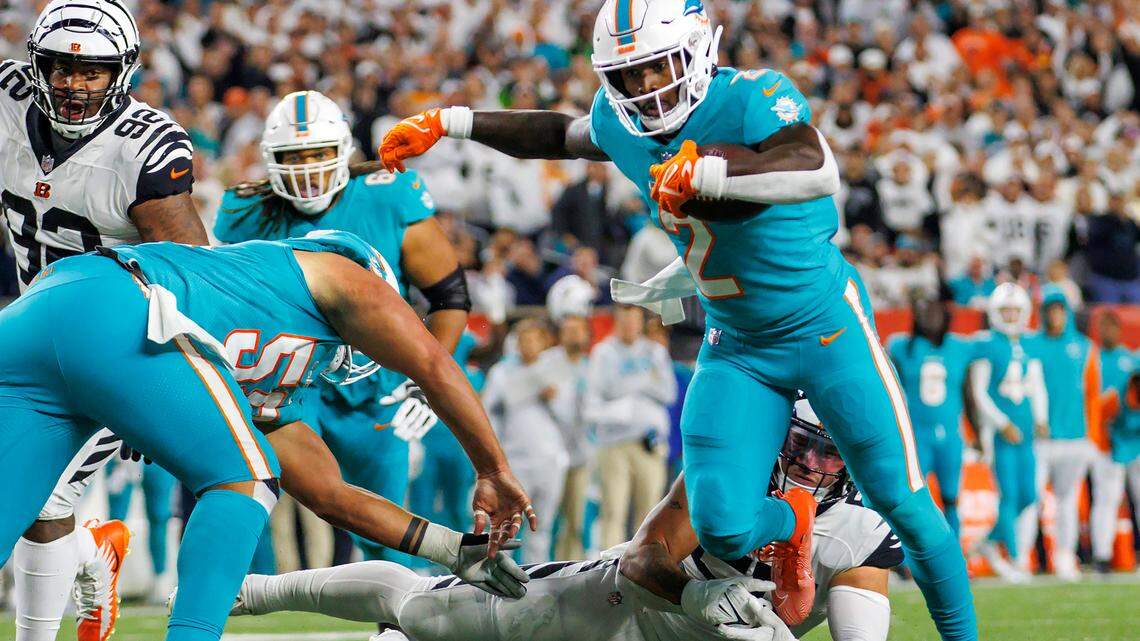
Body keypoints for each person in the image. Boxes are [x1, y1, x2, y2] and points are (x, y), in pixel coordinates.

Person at [379, 1, 975, 636]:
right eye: (627, 74)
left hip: (823, 326)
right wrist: (451, 121)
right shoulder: (622, 123)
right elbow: (560, 136)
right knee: (723, 525)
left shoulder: (750, 97)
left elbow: (816, 167)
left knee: (905, 504)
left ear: (697, 50)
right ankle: (795, 519)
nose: (643, 87)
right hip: (738, 343)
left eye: (656, 67)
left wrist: (714, 171)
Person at [0, 231, 536, 641]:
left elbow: (330, 495)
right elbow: (434, 365)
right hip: (120, 300)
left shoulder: (268, 350)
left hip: (43, 309)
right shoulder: (338, 275)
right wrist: (493, 469)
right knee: (246, 479)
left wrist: (451, 549)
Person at [226, 398, 902, 641]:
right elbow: (643, 559)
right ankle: (252, 591)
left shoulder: (857, 535)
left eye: (830, 454)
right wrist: (699, 595)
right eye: (803, 445)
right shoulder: (727, 477)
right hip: (624, 611)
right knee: (423, 609)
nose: (813, 465)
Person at [1, 2, 210, 639]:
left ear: (123, 71)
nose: (73, 83)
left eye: (91, 70)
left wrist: (167, 385)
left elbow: (191, 275)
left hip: (118, 350)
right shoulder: (7, 99)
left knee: (43, 497)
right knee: (37, 502)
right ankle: (95, 551)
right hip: (32, 335)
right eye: (60, 67)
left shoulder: (144, 149)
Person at [213, 90, 468, 564]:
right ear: (271, 160)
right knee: (253, 493)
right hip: (288, 384)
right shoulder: (246, 209)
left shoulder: (387, 195)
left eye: (318, 154)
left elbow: (449, 297)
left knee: (386, 538)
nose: (307, 170)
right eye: (294, 157)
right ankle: (238, 596)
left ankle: (397, 608)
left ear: (343, 151)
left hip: (374, 387)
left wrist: (424, 383)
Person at [969, 283, 1047, 583]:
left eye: (1016, 310)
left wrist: (1041, 418)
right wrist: (1002, 423)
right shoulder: (987, 343)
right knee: (1010, 495)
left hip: (1025, 432)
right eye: (1006, 310)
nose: (1011, 315)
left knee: (1029, 495)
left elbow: (1036, 385)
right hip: (1001, 434)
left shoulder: (1029, 343)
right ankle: (1015, 558)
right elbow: (979, 393)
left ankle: (989, 541)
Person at [1023, 284, 1100, 579]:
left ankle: (1065, 555)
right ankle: (1023, 556)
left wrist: (1092, 436)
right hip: (1040, 439)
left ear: (1067, 313)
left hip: (1075, 438)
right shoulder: (1030, 344)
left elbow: (1092, 394)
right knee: (1030, 499)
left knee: (1068, 502)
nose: (1055, 316)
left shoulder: (1084, 347)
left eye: (1059, 310)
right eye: (1050, 311)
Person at [585, 304, 677, 550]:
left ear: (641, 323)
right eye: (624, 320)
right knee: (613, 511)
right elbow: (595, 398)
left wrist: (627, 386)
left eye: (634, 320)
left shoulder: (655, 352)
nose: (629, 325)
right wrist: (643, 381)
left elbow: (668, 393)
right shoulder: (603, 352)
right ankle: (607, 565)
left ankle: (643, 563)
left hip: (649, 443)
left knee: (649, 513)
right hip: (613, 444)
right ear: (616, 321)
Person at [482, 319, 568, 564]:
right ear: (516, 344)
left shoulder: (556, 371)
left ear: (543, 343)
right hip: (514, 459)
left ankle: (534, 576)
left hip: (549, 458)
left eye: (534, 340)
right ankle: (498, 573)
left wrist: (553, 399)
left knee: (541, 525)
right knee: (506, 523)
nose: (529, 345)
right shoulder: (502, 372)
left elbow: (571, 417)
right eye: (524, 340)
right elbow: (488, 412)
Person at [888, 298, 976, 537]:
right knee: (912, 499)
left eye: (936, 312)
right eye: (926, 312)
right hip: (917, 436)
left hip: (951, 436)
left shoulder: (959, 347)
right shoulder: (902, 346)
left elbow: (968, 393)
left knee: (951, 498)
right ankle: (909, 554)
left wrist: (977, 431)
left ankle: (954, 550)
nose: (931, 318)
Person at [1091, 311, 1138, 573]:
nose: (1107, 331)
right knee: (1106, 498)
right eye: (1103, 327)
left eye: (1112, 326)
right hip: (1106, 441)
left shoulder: (1131, 360)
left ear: (1119, 330)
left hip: (1135, 438)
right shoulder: (1092, 359)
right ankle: (1102, 556)